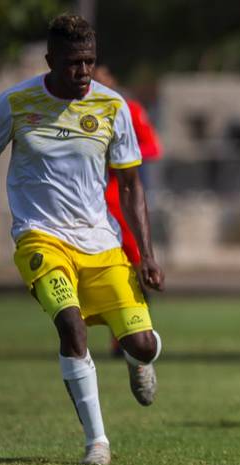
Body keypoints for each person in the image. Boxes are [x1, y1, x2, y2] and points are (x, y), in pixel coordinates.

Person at [0, 14, 164, 465]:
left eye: (89, 62)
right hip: (40, 237)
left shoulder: (113, 107)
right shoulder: (16, 102)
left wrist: (146, 253)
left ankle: (138, 359)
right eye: (72, 63)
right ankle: (97, 443)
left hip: (100, 241)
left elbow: (130, 185)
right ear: (50, 60)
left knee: (142, 343)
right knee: (71, 325)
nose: (83, 72)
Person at [93, 64, 163, 356]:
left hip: (119, 199)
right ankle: (106, 341)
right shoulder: (71, 112)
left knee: (135, 269)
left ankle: (133, 337)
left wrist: (120, 156)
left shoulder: (127, 110)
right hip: (89, 205)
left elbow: (153, 148)